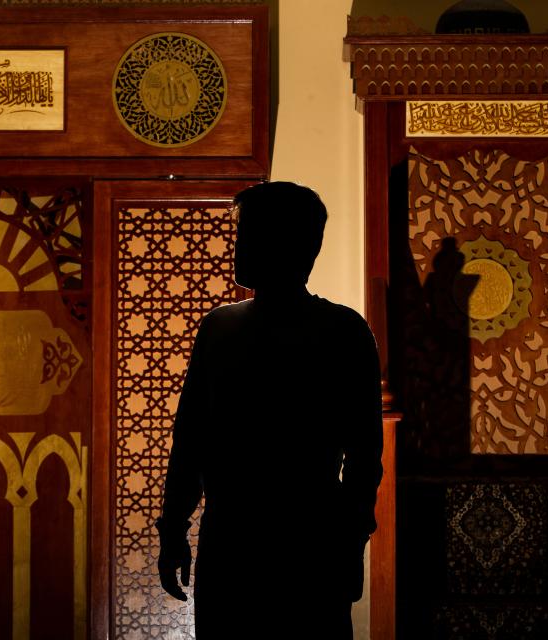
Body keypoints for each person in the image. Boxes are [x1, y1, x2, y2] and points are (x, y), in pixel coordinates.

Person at [155, 181, 383, 638]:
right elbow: (192, 439)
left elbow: (363, 459)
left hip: (272, 541)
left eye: (246, 233)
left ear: (289, 243)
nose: (236, 245)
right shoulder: (341, 330)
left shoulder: (228, 330)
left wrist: (176, 526)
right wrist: (173, 526)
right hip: (280, 539)